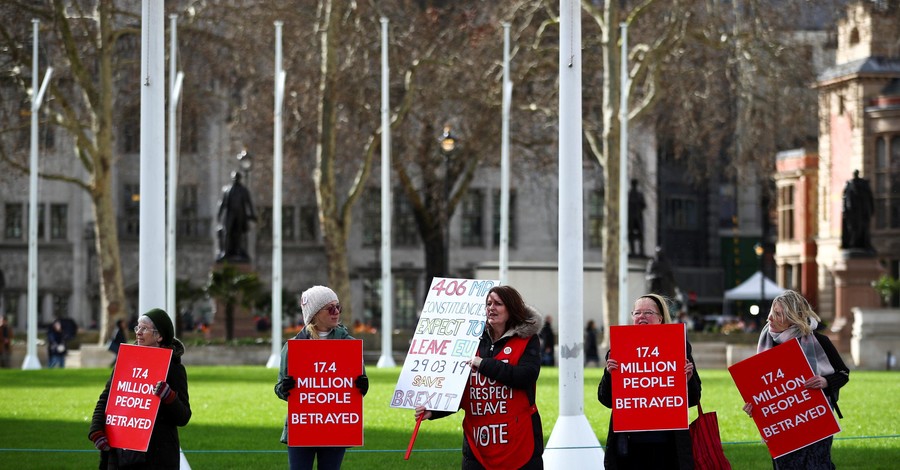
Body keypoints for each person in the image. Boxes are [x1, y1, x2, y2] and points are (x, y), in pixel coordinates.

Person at [415, 285, 544, 469]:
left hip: (519, 441)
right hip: (477, 445)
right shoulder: (469, 340)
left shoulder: (527, 340)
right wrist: (435, 411)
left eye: (498, 304)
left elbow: (526, 376)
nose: (491, 308)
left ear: (512, 308)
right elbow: (460, 388)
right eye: (488, 303)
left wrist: (483, 364)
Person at [741, 290, 849, 469]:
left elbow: (843, 373)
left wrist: (826, 382)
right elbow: (764, 389)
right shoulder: (768, 343)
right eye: (771, 312)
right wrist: (755, 406)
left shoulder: (820, 341)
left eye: (778, 314)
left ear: (794, 317)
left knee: (817, 465)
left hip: (815, 420)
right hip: (782, 425)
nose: (769, 318)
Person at [598, 294, 701, 469]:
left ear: (660, 318)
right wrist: (610, 375)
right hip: (629, 447)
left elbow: (694, 398)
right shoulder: (619, 348)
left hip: (668, 446)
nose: (642, 317)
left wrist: (687, 380)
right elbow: (605, 400)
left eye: (648, 312)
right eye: (637, 313)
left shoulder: (678, 346)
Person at [274, 285, 369, 470]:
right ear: (315, 313)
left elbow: (358, 388)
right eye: (330, 308)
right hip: (302, 426)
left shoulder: (349, 345)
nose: (336, 313)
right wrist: (285, 388)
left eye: (338, 307)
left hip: (336, 426)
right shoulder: (294, 346)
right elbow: (279, 387)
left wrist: (362, 386)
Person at [88, 308, 191, 468]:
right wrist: (96, 430)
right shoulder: (126, 361)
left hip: (156, 456)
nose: (138, 332)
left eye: (144, 329)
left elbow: (183, 417)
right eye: (137, 327)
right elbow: (106, 398)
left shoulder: (174, 369)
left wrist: (169, 396)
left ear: (159, 336)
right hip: (120, 454)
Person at [216, 170, 257, 262]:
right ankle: (225, 252)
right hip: (230, 214)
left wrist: (252, 214)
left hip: (240, 215)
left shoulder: (243, 190)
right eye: (234, 178)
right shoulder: (226, 190)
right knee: (227, 232)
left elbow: (249, 203)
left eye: (237, 178)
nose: (235, 180)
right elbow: (222, 203)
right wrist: (219, 214)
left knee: (239, 234)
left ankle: (238, 251)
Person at [841, 169, 875, 251]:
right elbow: (845, 199)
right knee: (852, 229)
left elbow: (869, 198)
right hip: (852, 213)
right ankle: (852, 243)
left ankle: (863, 243)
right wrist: (845, 210)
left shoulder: (863, 185)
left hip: (862, 211)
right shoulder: (849, 185)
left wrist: (871, 209)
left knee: (863, 228)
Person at [628, 179, 647, 257]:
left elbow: (644, 205)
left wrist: (638, 207)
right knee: (631, 235)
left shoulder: (640, 194)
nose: (634, 186)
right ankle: (632, 251)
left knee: (641, 235)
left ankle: (641, 252)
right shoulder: (629, 194)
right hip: (631, 218)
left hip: (638, 217)